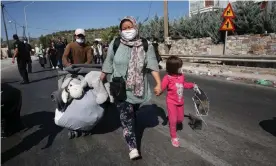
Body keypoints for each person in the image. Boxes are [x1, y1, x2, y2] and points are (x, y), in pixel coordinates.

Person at [100, 16, 162, 160]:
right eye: (124, 28)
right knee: (126, 116)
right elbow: (108, 62)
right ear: (120, 30)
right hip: (120, 87)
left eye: (130, 27)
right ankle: (132, 147)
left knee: (133, 111)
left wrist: (158, 83)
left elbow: (152, 64)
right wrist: (101, 78)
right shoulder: (115, 43)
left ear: (136, 26)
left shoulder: (146, 44)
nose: (128, 30)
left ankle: (132, 120)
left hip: (138, 87)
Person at [161, 55, 200, 147]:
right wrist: (158, 90)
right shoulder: (167, 78)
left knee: (180, 119)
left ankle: (173, 120)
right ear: (173, 68)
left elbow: (184, 85)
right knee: (173, 120)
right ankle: (173, 137)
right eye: (179, 67)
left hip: (180, 102)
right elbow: (161, 88)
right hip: (171, 102)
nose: (181, 68)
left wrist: (192, 85)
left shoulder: (181, 76)